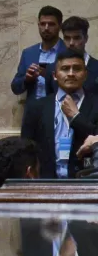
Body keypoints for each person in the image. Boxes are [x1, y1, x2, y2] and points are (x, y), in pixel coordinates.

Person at [21, 49, 98, 179]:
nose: (71, 73)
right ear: (55, 75)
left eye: (77, 69)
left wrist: (76, 117)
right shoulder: (36, 107)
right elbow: (26, 148)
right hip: (45, 184)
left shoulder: (96, 104)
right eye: (65, 69)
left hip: (87, 182)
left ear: (85, 75)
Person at [11, 5, 67, 107]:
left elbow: (76, 88)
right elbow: (15, 88)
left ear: (60, 26)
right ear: (38, 25)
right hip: (33, 113)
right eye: (43, 24)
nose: (46, 28)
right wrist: (26, 79)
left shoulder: (68, 52)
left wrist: (49, 75)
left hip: (59, 112)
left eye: (51, 24)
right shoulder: (28, 53)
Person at [62, 16, 98, 94]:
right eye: (67, 38)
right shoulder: (52, 68)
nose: (71, 43)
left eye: (76, 38)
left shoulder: (96, 67)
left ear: (86, 38)